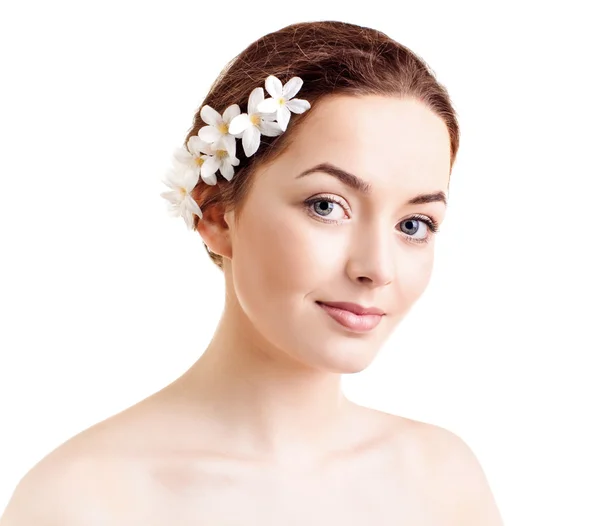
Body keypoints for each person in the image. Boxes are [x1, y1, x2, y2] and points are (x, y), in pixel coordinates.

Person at [0, 20, 503, 525]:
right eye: (326, 206)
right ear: (216, 214)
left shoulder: (442, 481)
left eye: (414, 224)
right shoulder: (80, 502)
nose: (376, 268)